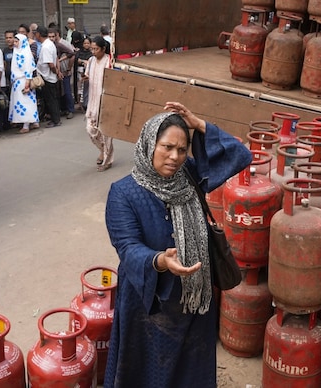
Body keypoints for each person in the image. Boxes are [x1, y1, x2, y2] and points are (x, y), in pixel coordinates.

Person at [103, 101, 252, 388]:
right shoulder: (123, 193)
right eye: (167, 147)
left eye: (182, 150)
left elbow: (240, 155)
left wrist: (198, 124)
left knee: (190, 371)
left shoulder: (190, 176)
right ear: (149, 144)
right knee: (148, 373)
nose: (175, 157)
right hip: (150, 305)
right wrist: (159, 260)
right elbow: (127, 246)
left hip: (195, 300)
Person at [84, 36, 113, 171]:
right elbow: (88, 76)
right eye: (92, 49)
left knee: (106, 133)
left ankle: (107, 160)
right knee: (90, 130)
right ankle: (102, 151)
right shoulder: (90, 61)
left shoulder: (110, 62)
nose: (93, 52)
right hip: (92, 102)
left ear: (103, 49)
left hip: (106, 102)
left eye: (96, 49)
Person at [8, 33, 39, 134]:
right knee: (24, 102)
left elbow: (28, 69)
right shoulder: (16, 51)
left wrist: (27, 84)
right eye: (15, 41)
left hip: (24, 80)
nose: (15, 43)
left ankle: (26, 125)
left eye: (17, 41)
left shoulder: (26, 53)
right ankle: (34, 121)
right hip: (17, 81)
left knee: (24, 103)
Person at [35, 26, 62, 128]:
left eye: (36, 33)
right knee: (52, 99)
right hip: (49, 76)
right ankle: (55, 118)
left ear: (39, 34)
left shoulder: (46, 46)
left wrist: (56, 72)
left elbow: (50, 64)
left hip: (48, 77)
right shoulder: (49, 44)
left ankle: (55, 120)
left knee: (51, 100)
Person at [49, 27, 76, 119]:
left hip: (64, 71)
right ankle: (63, 109)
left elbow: (72, 54)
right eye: (49, 36)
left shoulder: (61, 44)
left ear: (57, 35)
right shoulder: (49, 46)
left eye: (53, 36)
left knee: (67, 90)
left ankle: (70, 110)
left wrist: (67, 67)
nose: (51, 38)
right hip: (55, 72)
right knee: (60, 92)